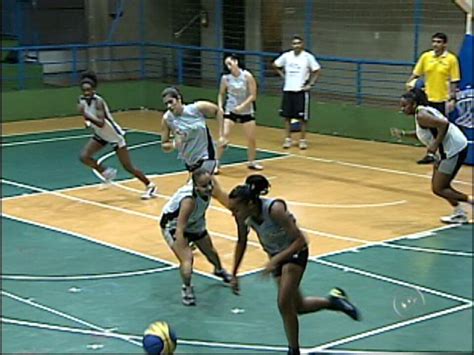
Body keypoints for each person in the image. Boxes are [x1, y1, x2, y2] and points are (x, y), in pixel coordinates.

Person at [228, 175, 360, 355]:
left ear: (250, 204)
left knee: (283, 302)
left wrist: (274, 261)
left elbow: (300, 240)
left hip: (295, 251)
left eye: (235, 209)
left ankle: (293, 350)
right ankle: (333, 301)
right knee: (298, 306)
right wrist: (234, 273)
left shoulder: (275, 209)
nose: (232, 213)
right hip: (276, 256)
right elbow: (241, 241)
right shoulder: (243, 217)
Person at [392, 88, 473, 224]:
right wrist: (404, 134)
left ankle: (468, 203)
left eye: (405, 106)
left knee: (439, 188)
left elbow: (444, 124)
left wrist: (434, 145)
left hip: (453, 150)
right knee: (441, 186)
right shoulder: (423, 112)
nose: (403, 109)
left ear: (414, 104)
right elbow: (426, 133)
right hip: (447, 151)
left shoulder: (422, 115)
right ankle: (459, 212)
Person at [77, 72, 156, 200]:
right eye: (84, 90)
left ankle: (150, 185)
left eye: (89, 90)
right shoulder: (81, 100)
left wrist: (86, 115)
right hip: (101, 135)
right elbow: (90, 119)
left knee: (128, 167)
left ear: (94, 90)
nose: (86, 92)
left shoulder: (99, 102)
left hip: (114, 137)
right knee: (84, 157)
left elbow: (101, 122)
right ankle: (106, 172)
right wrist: (86, 121)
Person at [159, 168, 232, 306]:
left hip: (195, 222)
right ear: (195, 186)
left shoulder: (211, 189)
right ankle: (187, 289)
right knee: (187, 259)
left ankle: (219, 270)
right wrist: (182, 246)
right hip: (173, 226)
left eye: (210, 183)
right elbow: (180, 227)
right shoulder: (189, 201)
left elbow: (225, 199)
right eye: (204, 186)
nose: (209, 188)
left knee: (210, 251)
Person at [160, 86, 229, 208]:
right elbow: (164, 145)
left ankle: (182, 222)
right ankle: (236, 208)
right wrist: (175, 144)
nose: (169, 106)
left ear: (179, 99)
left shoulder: (196, 108)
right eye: (166, 104)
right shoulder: (167, 119)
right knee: (215, 192)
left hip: (206, 157)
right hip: (190, 162)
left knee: (191, 193)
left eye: (171, 102)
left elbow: (218, 111)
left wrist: (222, 135)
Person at [406, 32, 461, 164]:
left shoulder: (451, 59)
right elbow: (416, 74)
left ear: (445, 44)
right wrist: (409, 85)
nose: (436, 44)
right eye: (434, 41)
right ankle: (431, 154)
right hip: (426, 99)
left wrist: (452, 98)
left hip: (442, 100)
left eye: (439, 42)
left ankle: (444, 154)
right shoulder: (426, 57)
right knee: (427, 129)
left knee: (441, 129)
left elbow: (454, 80)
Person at [216, 54, 262, 173]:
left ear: (236, 62)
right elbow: (221, 93)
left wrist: (242, 106)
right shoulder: (225, 78)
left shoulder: (247, 76)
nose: (229, 66)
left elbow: (253, 95)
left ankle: (251, 162)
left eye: (230, 63)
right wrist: (220, 106)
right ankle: (216, 163)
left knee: (251, 138)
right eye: (227, 65)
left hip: (246, 110)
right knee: (224, 136)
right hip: (231, 110)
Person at [273, 35, 321, 150]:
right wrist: (284, 77)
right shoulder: (287, 56)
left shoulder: (307, 57)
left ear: (302, 44)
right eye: (294, 43)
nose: (296, 45)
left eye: (298, 43)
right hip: (288, 90)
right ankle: (287, 139)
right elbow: (275, 65)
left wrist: (310, 84)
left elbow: (317, 70)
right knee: (287, 116)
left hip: (300, 91)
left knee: (302, 118)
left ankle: (303, 140)